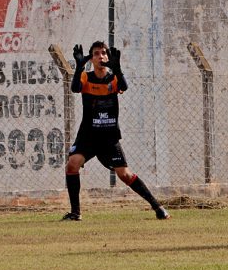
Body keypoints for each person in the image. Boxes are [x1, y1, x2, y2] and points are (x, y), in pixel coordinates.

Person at [62, 40, 169, 221]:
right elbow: (75, 88)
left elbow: (124, 87)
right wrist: (79, 67)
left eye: (103, 53)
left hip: (108, 137)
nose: (100, 56)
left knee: (124, 175)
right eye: (96, 53)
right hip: (88, 135)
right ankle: (75, 213)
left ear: (108, 57)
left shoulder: (113, 78)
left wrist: (117, 68)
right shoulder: (86, 77)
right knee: (72, 164)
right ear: (91, 58)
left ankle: (158, 207)